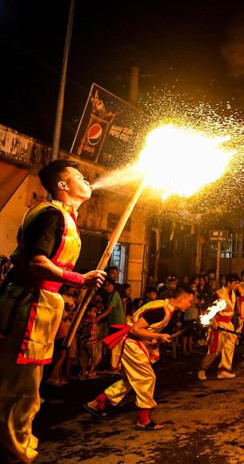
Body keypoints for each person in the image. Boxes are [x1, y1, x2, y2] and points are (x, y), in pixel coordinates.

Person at [0, 160, 106, 464]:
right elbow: (35, 263)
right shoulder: (50, 215)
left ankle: (18, 446)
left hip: (42, 303)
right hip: (28, 304)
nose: (87, 182)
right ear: (62, 185)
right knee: (18, 387)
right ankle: (14, 454)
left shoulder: (64, 216)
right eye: (80, 177)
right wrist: (79, 279)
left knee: (28, 385)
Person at [83, 289, 194, 429]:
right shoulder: (160, 310)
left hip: (135, 342)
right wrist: (159, 336)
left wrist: (154, 340)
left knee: (131, 380)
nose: (190, 304)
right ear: (180, 299)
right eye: (189, 301)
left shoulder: (166, 309)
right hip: (131, 343)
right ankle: (143, 419)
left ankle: (98, 402)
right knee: (147, 377)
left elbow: (146, 330)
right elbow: (135, 329)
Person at [198, 274, 240, 380]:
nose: (237, 285)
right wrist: (213, 322)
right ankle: (202, 369)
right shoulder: (219, 294)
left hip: (229, 324)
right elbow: (209, 309)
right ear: (229, 283)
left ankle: (223, 370)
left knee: (230, 347)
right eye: (235, 283)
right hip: (219, 323)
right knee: (215, 349)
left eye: (238, 283)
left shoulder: (234, 294)